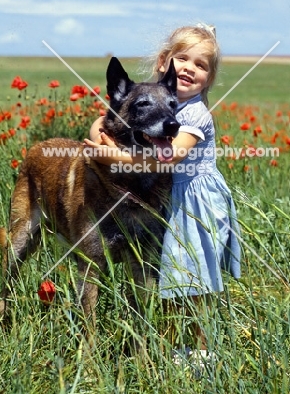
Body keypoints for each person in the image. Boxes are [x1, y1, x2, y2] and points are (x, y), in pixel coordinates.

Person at [85, 24, 241, 362]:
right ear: (164, 63)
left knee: (197, 282)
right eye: (182, 59)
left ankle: (202, 352)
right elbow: (103, 121)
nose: (189, 68)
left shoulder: (195, 114)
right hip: (169, 201)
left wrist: (111, 154)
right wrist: (99, 132)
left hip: (197, 204)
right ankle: (169, 350)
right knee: (170, 278)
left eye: (201, 65)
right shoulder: (158, 99)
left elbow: (165, 158)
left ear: (209, 78)